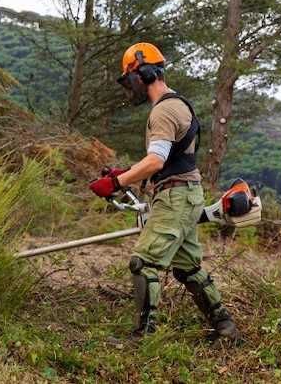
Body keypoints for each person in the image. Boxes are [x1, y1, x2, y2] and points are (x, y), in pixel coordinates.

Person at [88, 42, 241, 343]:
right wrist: (126, 174)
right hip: (182, 193)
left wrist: (118, 183)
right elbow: (162, 160)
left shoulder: (164, 111)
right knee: (188, 268)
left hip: (176, 197)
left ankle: (143, 336)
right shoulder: (175, 105)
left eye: (128, 78)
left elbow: (156, 160)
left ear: (142, 73)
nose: (127, 87)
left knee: (142, 263)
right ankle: (226, 329)